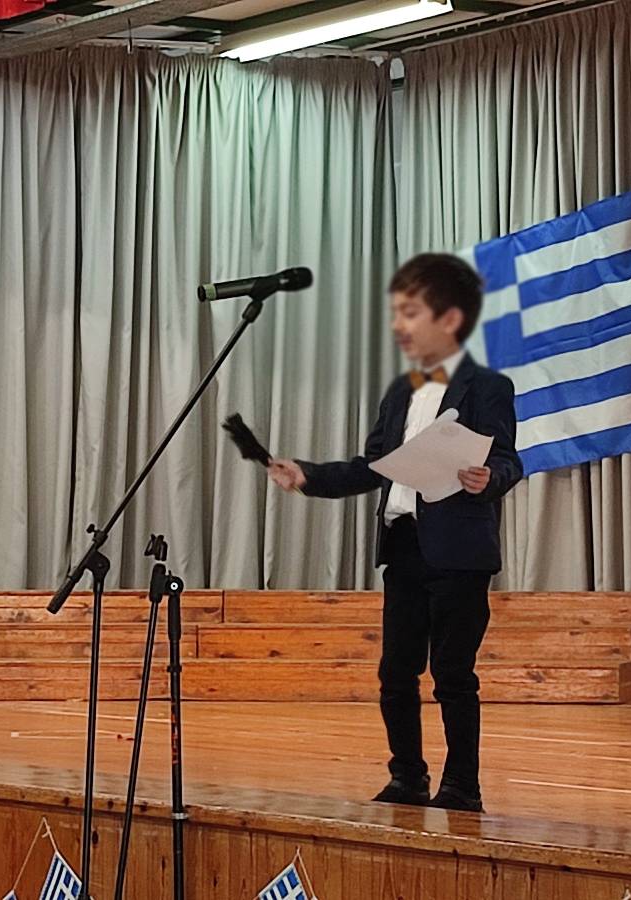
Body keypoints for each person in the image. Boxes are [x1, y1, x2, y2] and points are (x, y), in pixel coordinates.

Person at [265, 253, 524, 813]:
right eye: (396, 314)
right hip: (403, 545)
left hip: (457, 551)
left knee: (453, 674)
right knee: (396, 673)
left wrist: (490, 477)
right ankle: (407, 777)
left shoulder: (487, 386)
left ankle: (462, 786)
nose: (399, 326)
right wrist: (309, 475)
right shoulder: (399, 391)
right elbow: (372, 466)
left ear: (449, 319)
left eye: (410, 313)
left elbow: (508, 459)